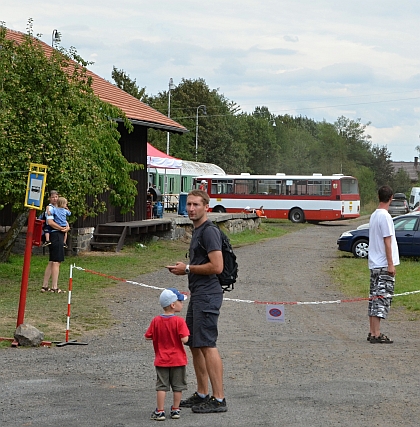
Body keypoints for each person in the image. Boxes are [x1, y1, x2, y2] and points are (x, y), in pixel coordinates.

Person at [166, 189, 227, 413]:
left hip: (208, 295)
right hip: (198, 294)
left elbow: (217, 266)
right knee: (194, 344)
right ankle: (203, 393)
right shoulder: (198, 231)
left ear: (206, 207)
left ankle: (219, 398)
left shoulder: (209, 232)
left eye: (196, 205)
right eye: (189, 204)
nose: (191, 209)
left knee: (208, 344)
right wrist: (185, 271)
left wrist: (188, 268)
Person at [145, 288, 190, 421]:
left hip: (162, 359)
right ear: (173, 305)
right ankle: (175, 409)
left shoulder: (156, 321)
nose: (182, 304)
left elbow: (148, 337)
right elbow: (184, 339)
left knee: (161, 386)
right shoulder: (179, 321)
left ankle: (160, 411)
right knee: (178, 386)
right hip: (178, 359)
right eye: (180, 301)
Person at [368, 185, 399, 344]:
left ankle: (372, 332)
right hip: (383, 265)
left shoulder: (374, 215)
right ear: (391, 198)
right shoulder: (385, 216)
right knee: (381, 300)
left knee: (374, 298)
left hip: (374, 265)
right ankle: (377, 333)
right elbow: (387, 242)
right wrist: (390, 264)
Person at [41, 191, 70, 294]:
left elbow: (64, 219)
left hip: (58, 234)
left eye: (56, 197)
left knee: (52, 260)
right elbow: (50, 222)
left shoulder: (59, 209)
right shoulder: (50, 209)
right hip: (55, 235)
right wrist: (62, 228)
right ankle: (54, 287)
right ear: (49, 198)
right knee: (56, 261)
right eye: (53, 197)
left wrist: (67, 226)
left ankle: (44, 286)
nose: (55, 199)